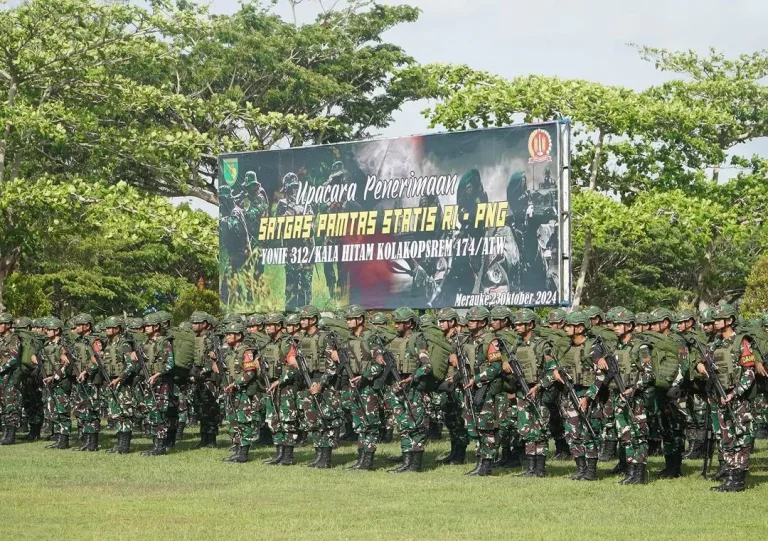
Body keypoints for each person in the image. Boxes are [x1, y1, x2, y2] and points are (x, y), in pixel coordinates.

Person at [511, 308, 559, 478]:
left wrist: (539, 386)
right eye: (516, 324)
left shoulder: (542, 346)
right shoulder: (516, 345)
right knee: (526, 429)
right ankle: (530, 467)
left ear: (530, 325)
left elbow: (553, 371)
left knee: (540, 429)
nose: (517, 326)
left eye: (520, 324)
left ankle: (540, 468)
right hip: (523, 392)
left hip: (539, 392)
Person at [462, 306, 504, 476]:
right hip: (470, 389)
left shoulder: (490, 341)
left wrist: (477, 379)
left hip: (486, 389)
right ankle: (479, 462)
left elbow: (496, 367)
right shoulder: (467, 340)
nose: (470, 323)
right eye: (470, 320)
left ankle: (486, 464)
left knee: (486, 428)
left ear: (483, 322)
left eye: (474, 320)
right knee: (474, 426)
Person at [220, 322, 263, 463]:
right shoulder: (231, 351)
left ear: (238, 336)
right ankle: (237, 450)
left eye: (230, 334)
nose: (227, 337)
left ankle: (243, 453)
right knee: (233, 421)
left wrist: (236, 383)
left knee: (244, 422)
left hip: (243, 392)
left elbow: (250, 372)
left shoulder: (246, 351)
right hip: (231, 392)